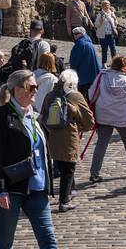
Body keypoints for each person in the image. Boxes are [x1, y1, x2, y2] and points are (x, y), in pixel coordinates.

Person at [0, 70, 90, 249]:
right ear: (16, 90)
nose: (35, 91)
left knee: (48, 239)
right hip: (11, 189)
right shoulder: (1, 116)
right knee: (6, 240)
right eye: (31, 87)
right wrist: (0, 190)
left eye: (35, 87)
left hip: (37, 189)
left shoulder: (33, 116)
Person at [87, 55, 126, 183]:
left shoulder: (102, 77)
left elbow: (92, 93)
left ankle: (94, 173)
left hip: (103, 116)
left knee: (101, 144)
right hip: (122, 118)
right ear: (125, 67)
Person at [43, 68, 94, 212]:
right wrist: (80, 124)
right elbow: (89, 120)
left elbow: (42, 116)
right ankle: (64, 201)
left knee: (61, 166)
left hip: (52, 136)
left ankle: (70, 191)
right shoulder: (75, 96)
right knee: (69, 169)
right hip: (69, 136)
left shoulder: (50, 95)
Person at [68, 26, 100, 94]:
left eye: (76, 34)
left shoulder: (80, 44)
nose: (74, 35)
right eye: (74, 34)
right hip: (93, 75)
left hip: (83, 77)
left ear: (82, 34)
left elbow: (75, 61)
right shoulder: (89, 42)